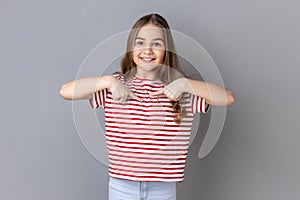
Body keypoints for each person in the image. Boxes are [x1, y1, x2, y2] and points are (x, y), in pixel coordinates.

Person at [60, 13, 234, 200]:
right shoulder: (117, 86)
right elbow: (66, 91)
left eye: (157, 44)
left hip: (163, 188)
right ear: (131, 48)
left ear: (167, 50)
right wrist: (108, 81)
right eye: (140, 42)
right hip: (121, 187)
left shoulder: (179, 89)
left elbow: (227, 98)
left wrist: (185, 84)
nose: (148, 50)